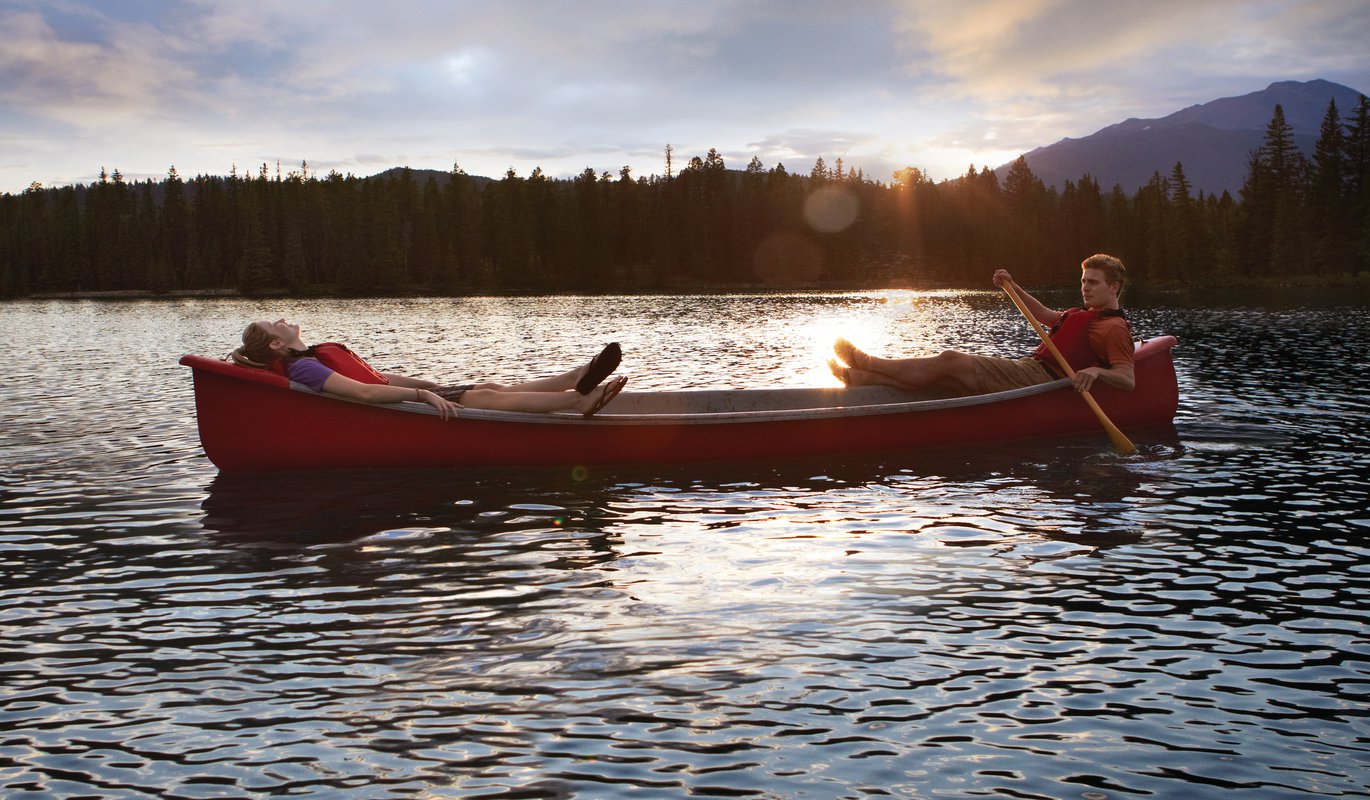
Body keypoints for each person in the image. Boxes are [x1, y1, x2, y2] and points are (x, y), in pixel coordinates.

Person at [830, 253, 1136, 397]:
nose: (1085, 287)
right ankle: (860, 379)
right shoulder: (1082, 313)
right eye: (1083, 281)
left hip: (1041, 380)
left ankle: (869, 363)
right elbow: (1044, 315)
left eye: (1093, 283)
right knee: (947, 382)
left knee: (951, 360)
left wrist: (1096, 371)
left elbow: (1127, 378)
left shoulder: (1114, 328)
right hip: (1029, 370)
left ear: (1114, 287)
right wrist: (1012, 287)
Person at [230, 318, 627, 420]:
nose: (281, 319)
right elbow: (365, 394)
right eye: (273, 324)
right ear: (277, 344)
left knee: (486, 384)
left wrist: (426, 382)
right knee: (485, 398)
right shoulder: (305, 369)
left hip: (403, 398)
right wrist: (422, 395)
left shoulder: (313, 355)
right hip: (397, 412)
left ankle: (575, 378)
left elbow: (378, 379)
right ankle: (576, 403)